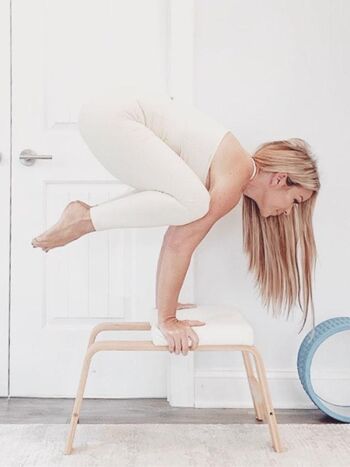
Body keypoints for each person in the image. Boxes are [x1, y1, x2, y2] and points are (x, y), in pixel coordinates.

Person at [31, 85, 320, 355]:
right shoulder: (238, 172)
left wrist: (164, 308)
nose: (289, 212)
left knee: (187, 201)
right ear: (281, 179)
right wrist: (168, 319)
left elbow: (175, 236)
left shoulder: (231, 169)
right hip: (114, 119)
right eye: (296, 201)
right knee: (195, 203)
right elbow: (180, 243)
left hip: (103, 116)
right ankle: (84, 218)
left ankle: (85, 217)